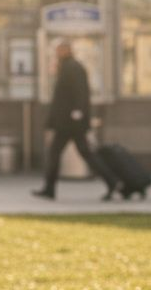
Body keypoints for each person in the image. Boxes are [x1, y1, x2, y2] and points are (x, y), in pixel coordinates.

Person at [33, 42, 118, 201]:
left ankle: (50, 189)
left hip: (70, 122)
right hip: (68, 122)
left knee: (62, 153)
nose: (57, 54)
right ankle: (111, 182)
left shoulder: (73, 68)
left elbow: (80, 92)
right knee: (80, 153)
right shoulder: (66, 67)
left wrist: (78, 112)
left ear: (66, 51)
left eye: (59, 50)